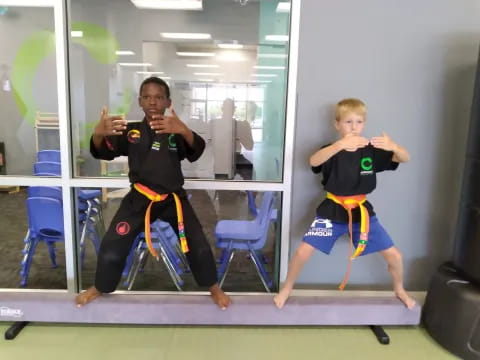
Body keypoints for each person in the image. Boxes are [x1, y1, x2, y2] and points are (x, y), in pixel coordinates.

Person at [75, 77, 231, 309]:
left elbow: (195, 151)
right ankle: (100, 286)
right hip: (139, 199)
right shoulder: (131, 131)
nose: (152, 102)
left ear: (168, 102)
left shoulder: (174, 130)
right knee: (112, 245)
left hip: (172, 199)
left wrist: (184, 130)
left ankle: (213, 287)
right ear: (140, 101)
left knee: (198, 244)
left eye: (158, 97)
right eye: (147, 97)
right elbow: (103, 152)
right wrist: (98, 133)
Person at [273, 98, 415, 310]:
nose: (354, 127)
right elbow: (313, 161)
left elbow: (404, 158)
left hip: (362, 213)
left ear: (364, 124)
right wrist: (339, 145)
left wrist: (393, 146)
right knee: (303, 251)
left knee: (395, 256)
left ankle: (399, 289)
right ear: (337, 124)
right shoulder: (331, 149)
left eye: (358, 122)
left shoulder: (371, 150)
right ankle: (286, 288)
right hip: (332, 210)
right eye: (348, 122)